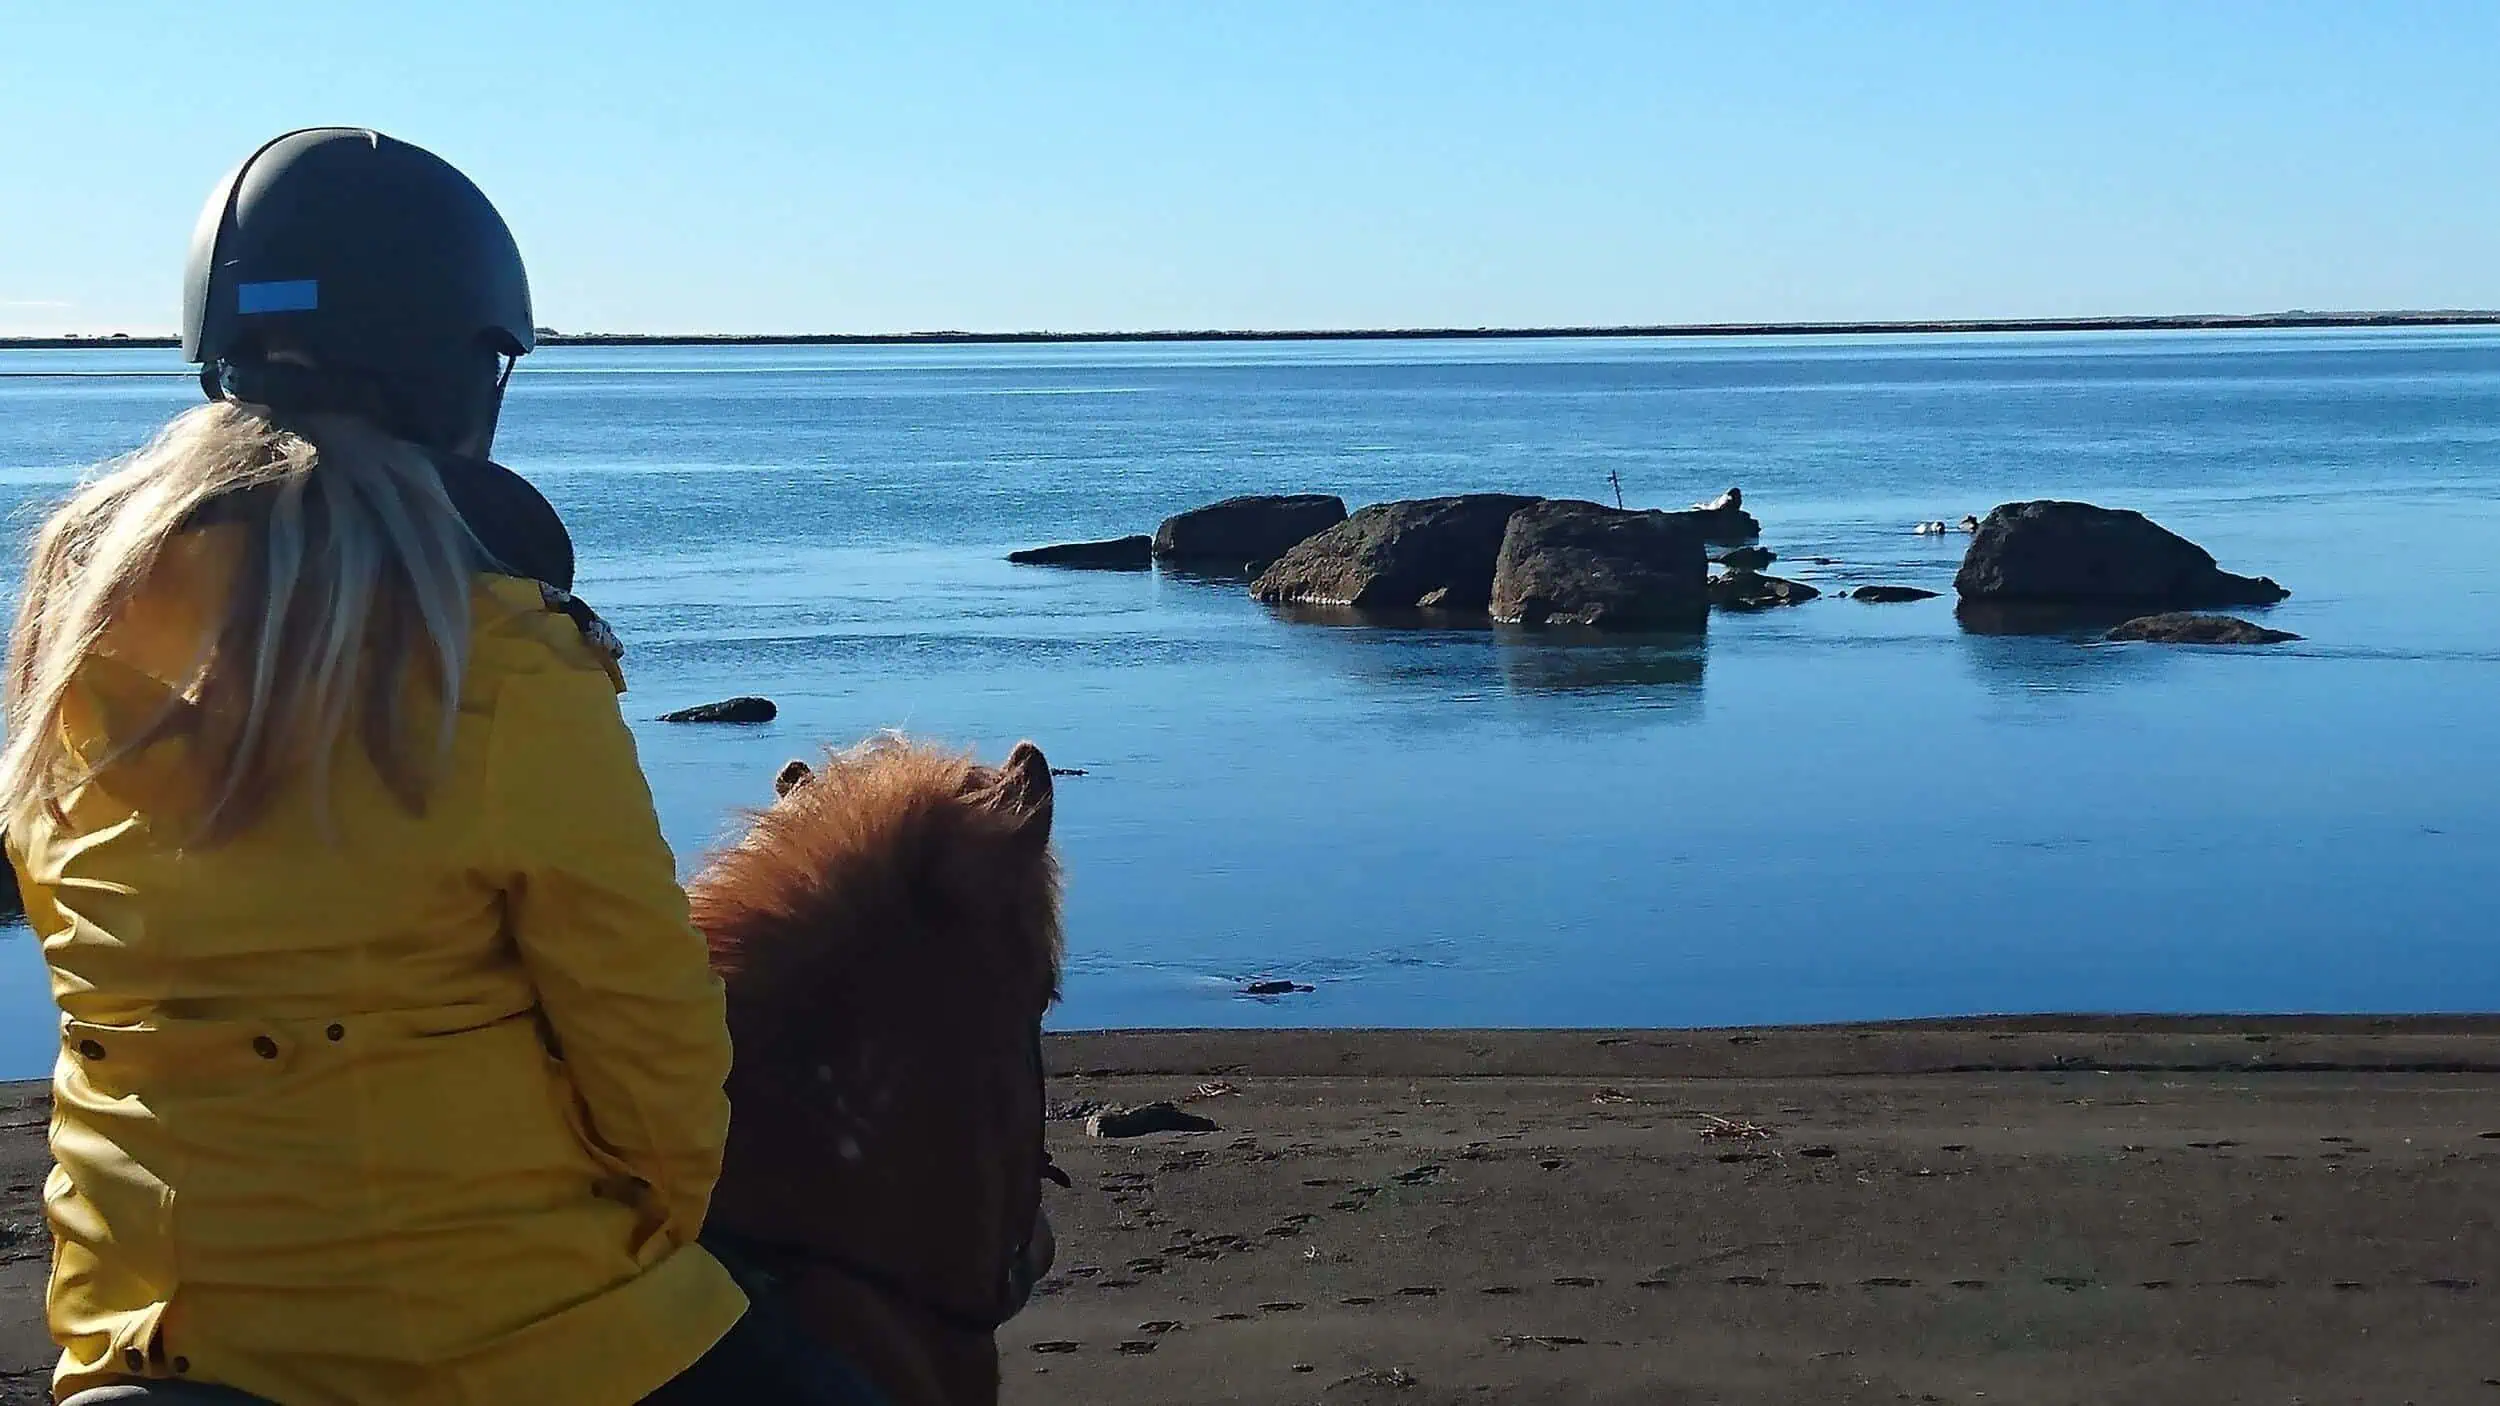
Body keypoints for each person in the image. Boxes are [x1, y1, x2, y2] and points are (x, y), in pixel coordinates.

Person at [2, 129, 877, 1405]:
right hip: (483, 1333)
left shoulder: (72, 639)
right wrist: (653, 1228)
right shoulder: (500, 662)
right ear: (461, 366)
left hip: (144, 1328)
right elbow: (648, 1030)